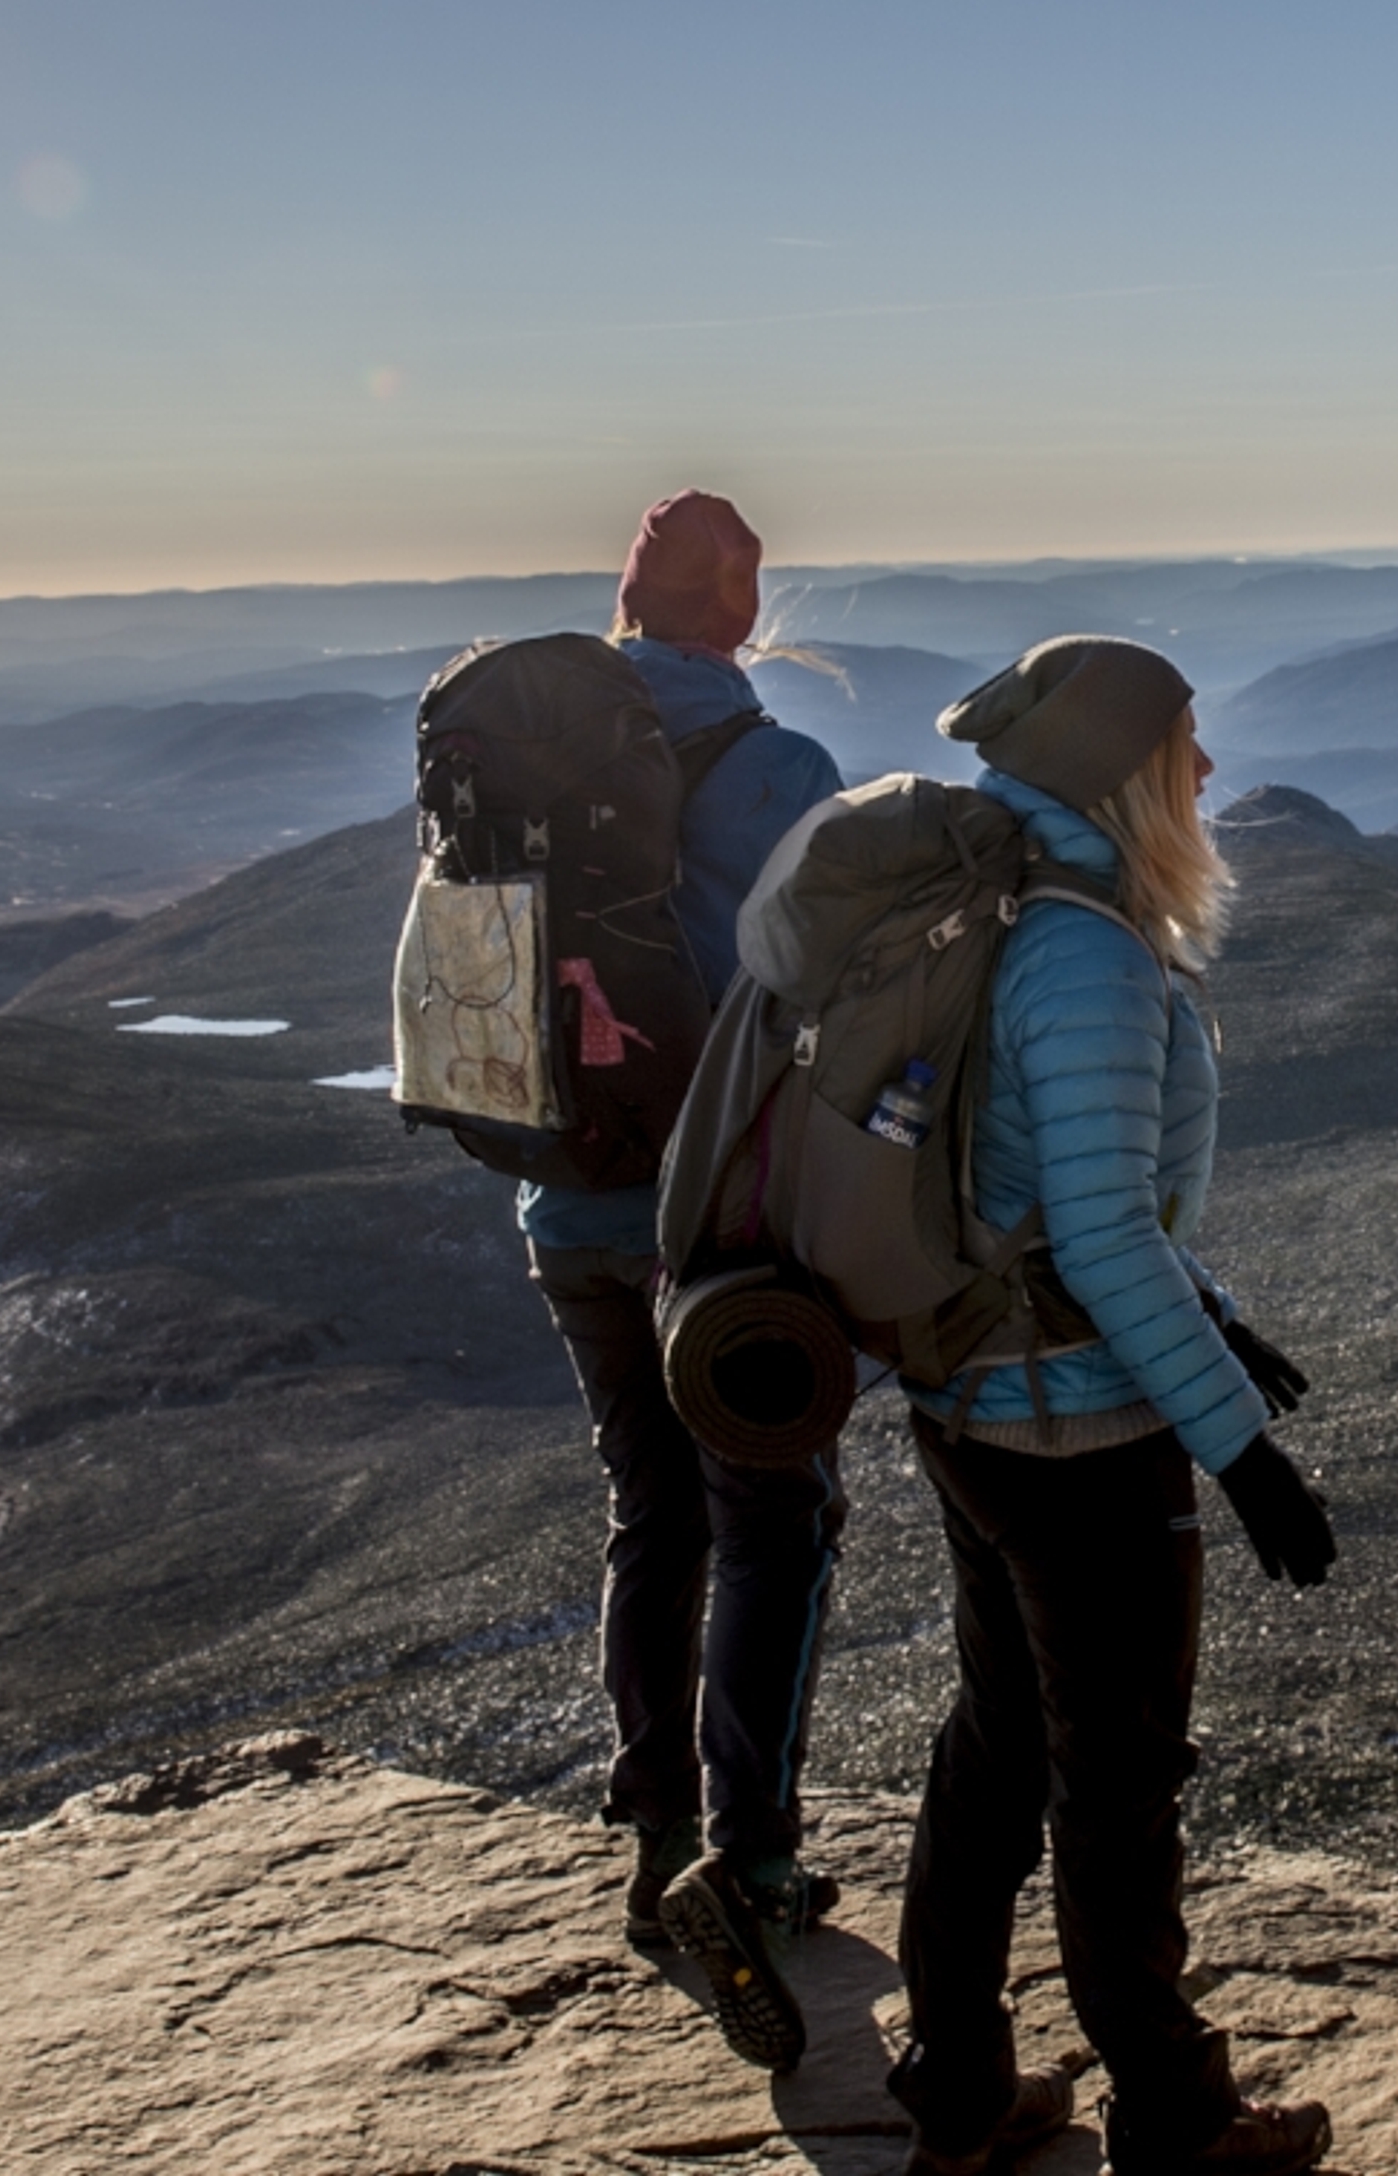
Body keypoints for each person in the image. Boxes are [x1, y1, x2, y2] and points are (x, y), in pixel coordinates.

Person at [885, 636, 1340, 2176]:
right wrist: (1244, 1452)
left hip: (969, 1400)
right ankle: (1178, 2115)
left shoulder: (1005, 900)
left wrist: (1214, 1321)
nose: (1208, 771)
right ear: (1126, 774)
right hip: (1073, 1429)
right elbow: (1097, 1232)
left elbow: (1042, 1203)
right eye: (1188, 745)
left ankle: (953, 2095)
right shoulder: (1083, 951)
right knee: (1118, 1785)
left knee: (999, 1742)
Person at [514, 489, 847, 2040]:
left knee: (649, 1509)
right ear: (744, 606)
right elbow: (829, 987)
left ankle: (655, 1832)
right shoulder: (778, 767)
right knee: (774, 1516)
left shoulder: (522, 761)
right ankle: (753, 1853)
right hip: (716, 1217)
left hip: (563, 1203)